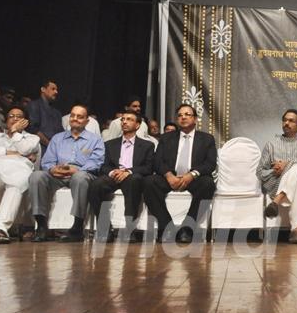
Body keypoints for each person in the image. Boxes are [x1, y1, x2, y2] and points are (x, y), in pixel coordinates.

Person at [29, 104, 104, 242]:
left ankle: (77, 226)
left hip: (82, 174)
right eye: (73, 115)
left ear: (87, 121)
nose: (75, 119)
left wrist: (78, 170)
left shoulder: (95, 140)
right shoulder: (57, 138)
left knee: (80, 177)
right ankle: (41, 225)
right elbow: (47, 161)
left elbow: (97, 162)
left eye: (80, 117)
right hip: (58, 175)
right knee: (37, 176)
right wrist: (52, 169)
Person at [143, 104, 217, 243]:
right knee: (149, 182)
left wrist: (191, 175)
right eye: (180, 115)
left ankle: (188, 228)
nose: (183, 117)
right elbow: (157, 161)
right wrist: (168, 175)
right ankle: (167, 227)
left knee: (208, 184)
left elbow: (210, 163)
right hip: (170, 177)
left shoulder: (207, 139)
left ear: (195, 119)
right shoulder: (166, 138)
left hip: (193, 178)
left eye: (187, 114)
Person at [0, 106, 40, 244]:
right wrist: (13, 153)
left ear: (25, 121)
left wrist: (15, 132)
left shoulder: (32, 138)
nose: (15, 118)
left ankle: (0, 229)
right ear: (6, 119)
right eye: (11, 116)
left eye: (19, 116)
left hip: (19, 168)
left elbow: (25, 148)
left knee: (17, 184)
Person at [88, 110, 155, 242]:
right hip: (114, 175)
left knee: (134, 180)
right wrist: (113, 172)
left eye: (129, 119)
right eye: (123, 119)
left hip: (132, 175)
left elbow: (148, 168)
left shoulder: (147, 145)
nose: (124, 122)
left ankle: (130, 228)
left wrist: (128, 171)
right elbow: (103, 166)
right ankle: (105, 229)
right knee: (95, 185)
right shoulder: (109, 144)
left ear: (138, 125)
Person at [257, 109, 297, 244]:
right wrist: (274, 171)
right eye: (285, 120)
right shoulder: (271, 145)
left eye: (291, 121)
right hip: (276, 183)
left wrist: (287, 165)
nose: (286, 123)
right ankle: (295, 230)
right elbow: (260, 171)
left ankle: (276, 202)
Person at [26, 79, 63, 149]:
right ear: (43, 89)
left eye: (56, 90)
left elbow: (61, 132)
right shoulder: (34, 105)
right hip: (38, 147)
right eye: (53, 89)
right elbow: (33, 129)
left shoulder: (57, 113)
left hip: (56, 149)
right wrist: (49, 145)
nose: (56, 92)